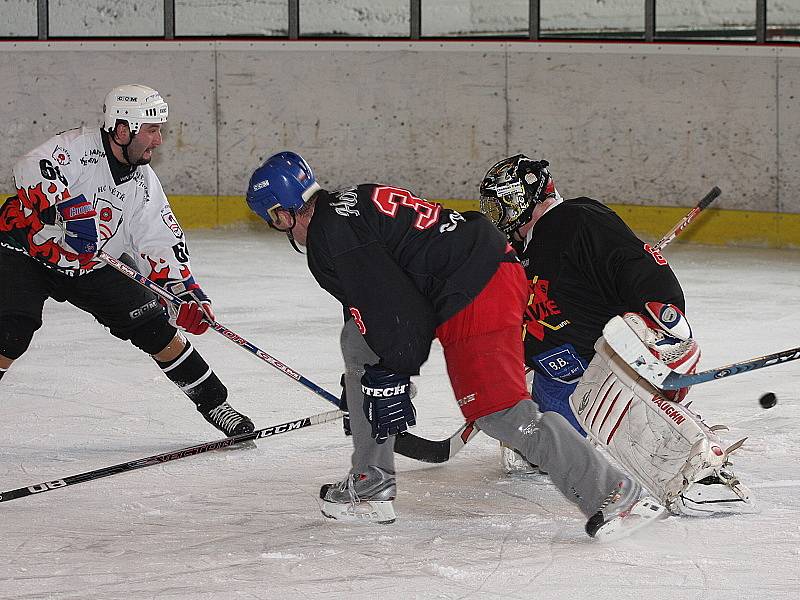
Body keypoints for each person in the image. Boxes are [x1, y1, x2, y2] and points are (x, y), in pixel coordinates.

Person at [246, 150, 668, 540]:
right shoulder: (349, 207)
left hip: (474, 288)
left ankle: (612, 492)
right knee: (359, 347)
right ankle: (371, 481)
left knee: (499, 412)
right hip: (476, 274)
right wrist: (371, 377)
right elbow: (370, 308)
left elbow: (397, 312)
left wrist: (392, 371)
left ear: (283, 214)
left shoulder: (329, 235)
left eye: (274, 219)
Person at [478, 154, 754, 515]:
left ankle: (699, 471)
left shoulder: (573, 219)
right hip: (557, 378)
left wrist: (662, 320)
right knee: (534, 419)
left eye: (500, 206)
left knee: (614, 399)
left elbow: (634, 264)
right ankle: (541, 445)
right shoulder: (520, 255)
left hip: (604, 363)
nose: (496, 218)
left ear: (523, 198)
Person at [0, 84, 254, 438]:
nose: (159, 140)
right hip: (25, 250)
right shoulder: (76, 148)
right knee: (12, 331)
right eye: (152, 130)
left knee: (155, 328)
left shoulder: (143, 183)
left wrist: (184, 290)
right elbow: (29, 168)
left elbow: (159, 239)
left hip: (90, 264)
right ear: (123, 130)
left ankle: (215, 405)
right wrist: (68, 209)